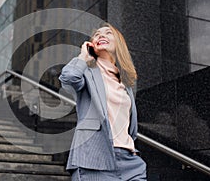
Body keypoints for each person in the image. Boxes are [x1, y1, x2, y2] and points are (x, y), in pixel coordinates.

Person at [59, 23, 147, 180]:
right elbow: (68, 78)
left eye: (108, 33)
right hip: (94, 158)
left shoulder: (125, 82)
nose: (100, 35)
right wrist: (83, 57)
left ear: (119, 43)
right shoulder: (86, 72)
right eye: (97, 35)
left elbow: (130, 125)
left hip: (129, 160)